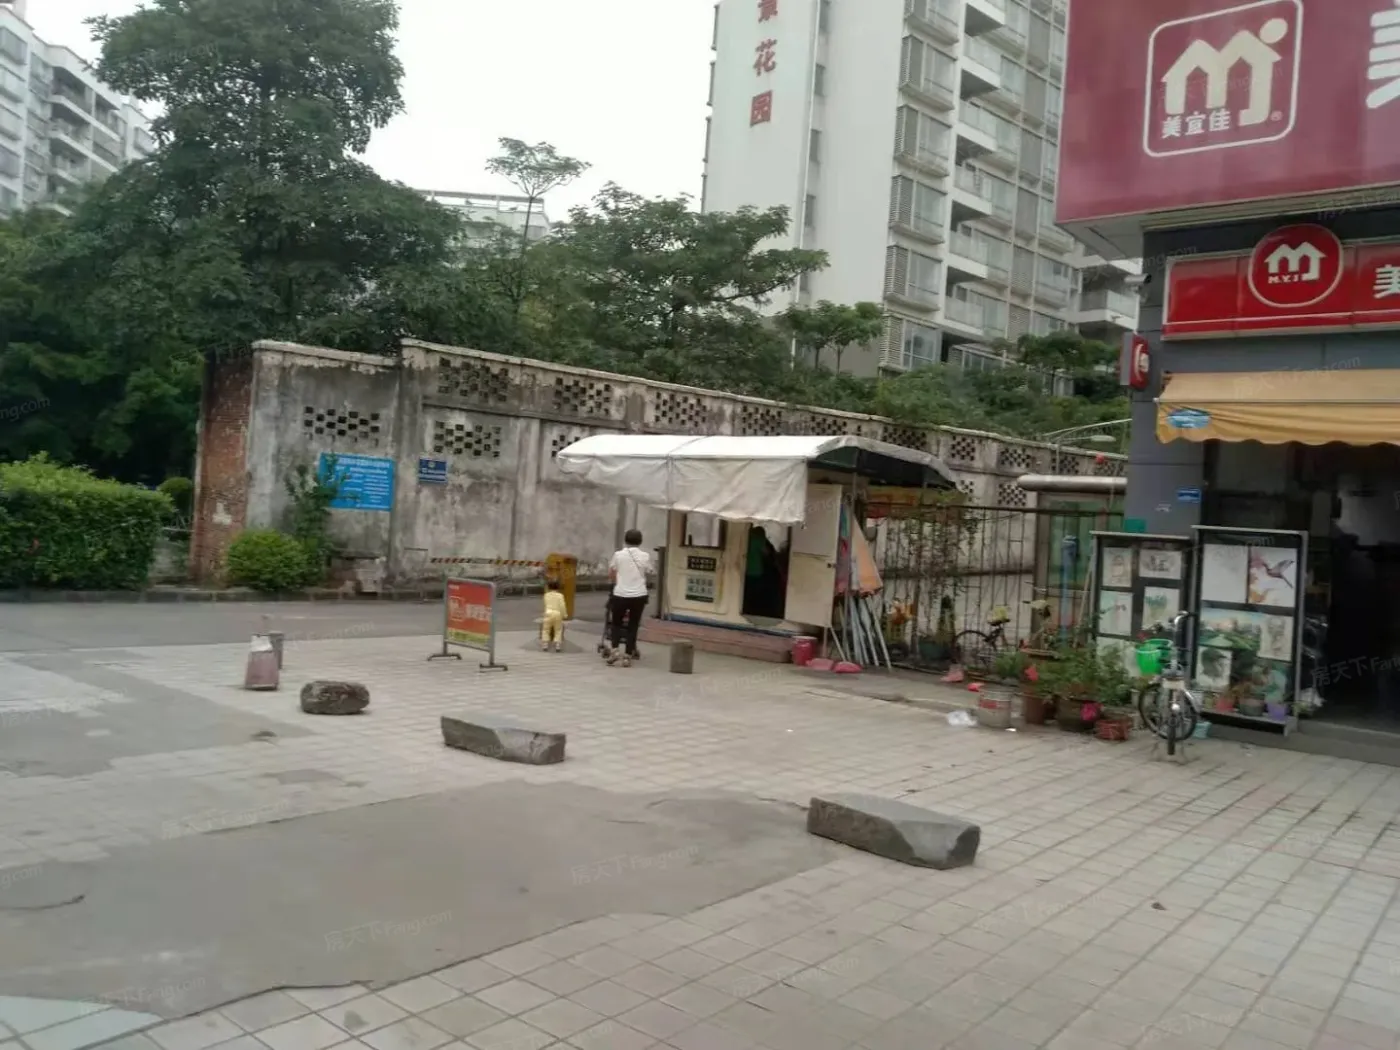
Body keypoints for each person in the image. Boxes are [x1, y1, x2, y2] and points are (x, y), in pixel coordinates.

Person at [606, 529, 652, 666]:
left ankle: (614, 650)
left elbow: (611, 573)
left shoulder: (618, 555)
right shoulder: (645, 556)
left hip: (620, 594)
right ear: (640, 541)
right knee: (633, 625)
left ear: (625, 540)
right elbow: (649, 572)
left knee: (616, 623)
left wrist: (619, 582)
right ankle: (627, 655)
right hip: (639, 595)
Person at [539, 579, 567, 653]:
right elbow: (562, 606)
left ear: (549, 587)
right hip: (557, 613)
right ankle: (558, 645)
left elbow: (546, 605)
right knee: (558, 629)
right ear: (558, 587)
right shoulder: (560, 595)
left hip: (548, 613)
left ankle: (545, 644)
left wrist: (544, 613)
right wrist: (564, 614)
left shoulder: (546, 595)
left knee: (546, 629)